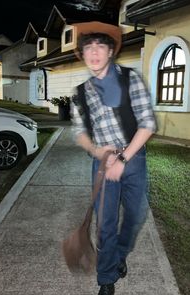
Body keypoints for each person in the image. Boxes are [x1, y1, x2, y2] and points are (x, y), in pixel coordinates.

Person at [71, 21, 157, 295]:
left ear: (110, 52)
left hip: (134, 159)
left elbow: (147, 124)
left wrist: (123, 158)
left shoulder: (130, 78)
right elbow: (79, 132)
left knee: (135, 216)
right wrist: (99, 152)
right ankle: (106, 277)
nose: (94, 52)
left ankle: (119, 255)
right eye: (88, 47)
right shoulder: (81, 92)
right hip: (102, 162)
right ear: (83, 54)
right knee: (105, 223)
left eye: (100, 46)